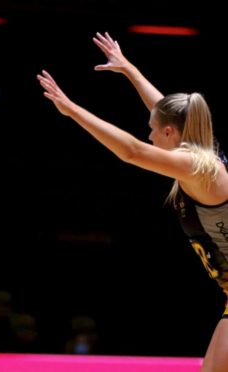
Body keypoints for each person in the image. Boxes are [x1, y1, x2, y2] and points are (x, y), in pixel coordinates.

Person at [38, 31, 228, 372]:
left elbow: (131, 151)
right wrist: (129, 70)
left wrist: (72, 110)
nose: (150, 135)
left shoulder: (198, 167)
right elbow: (162, 109)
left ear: (170, 132)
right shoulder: (195, 148)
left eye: (153, 130)